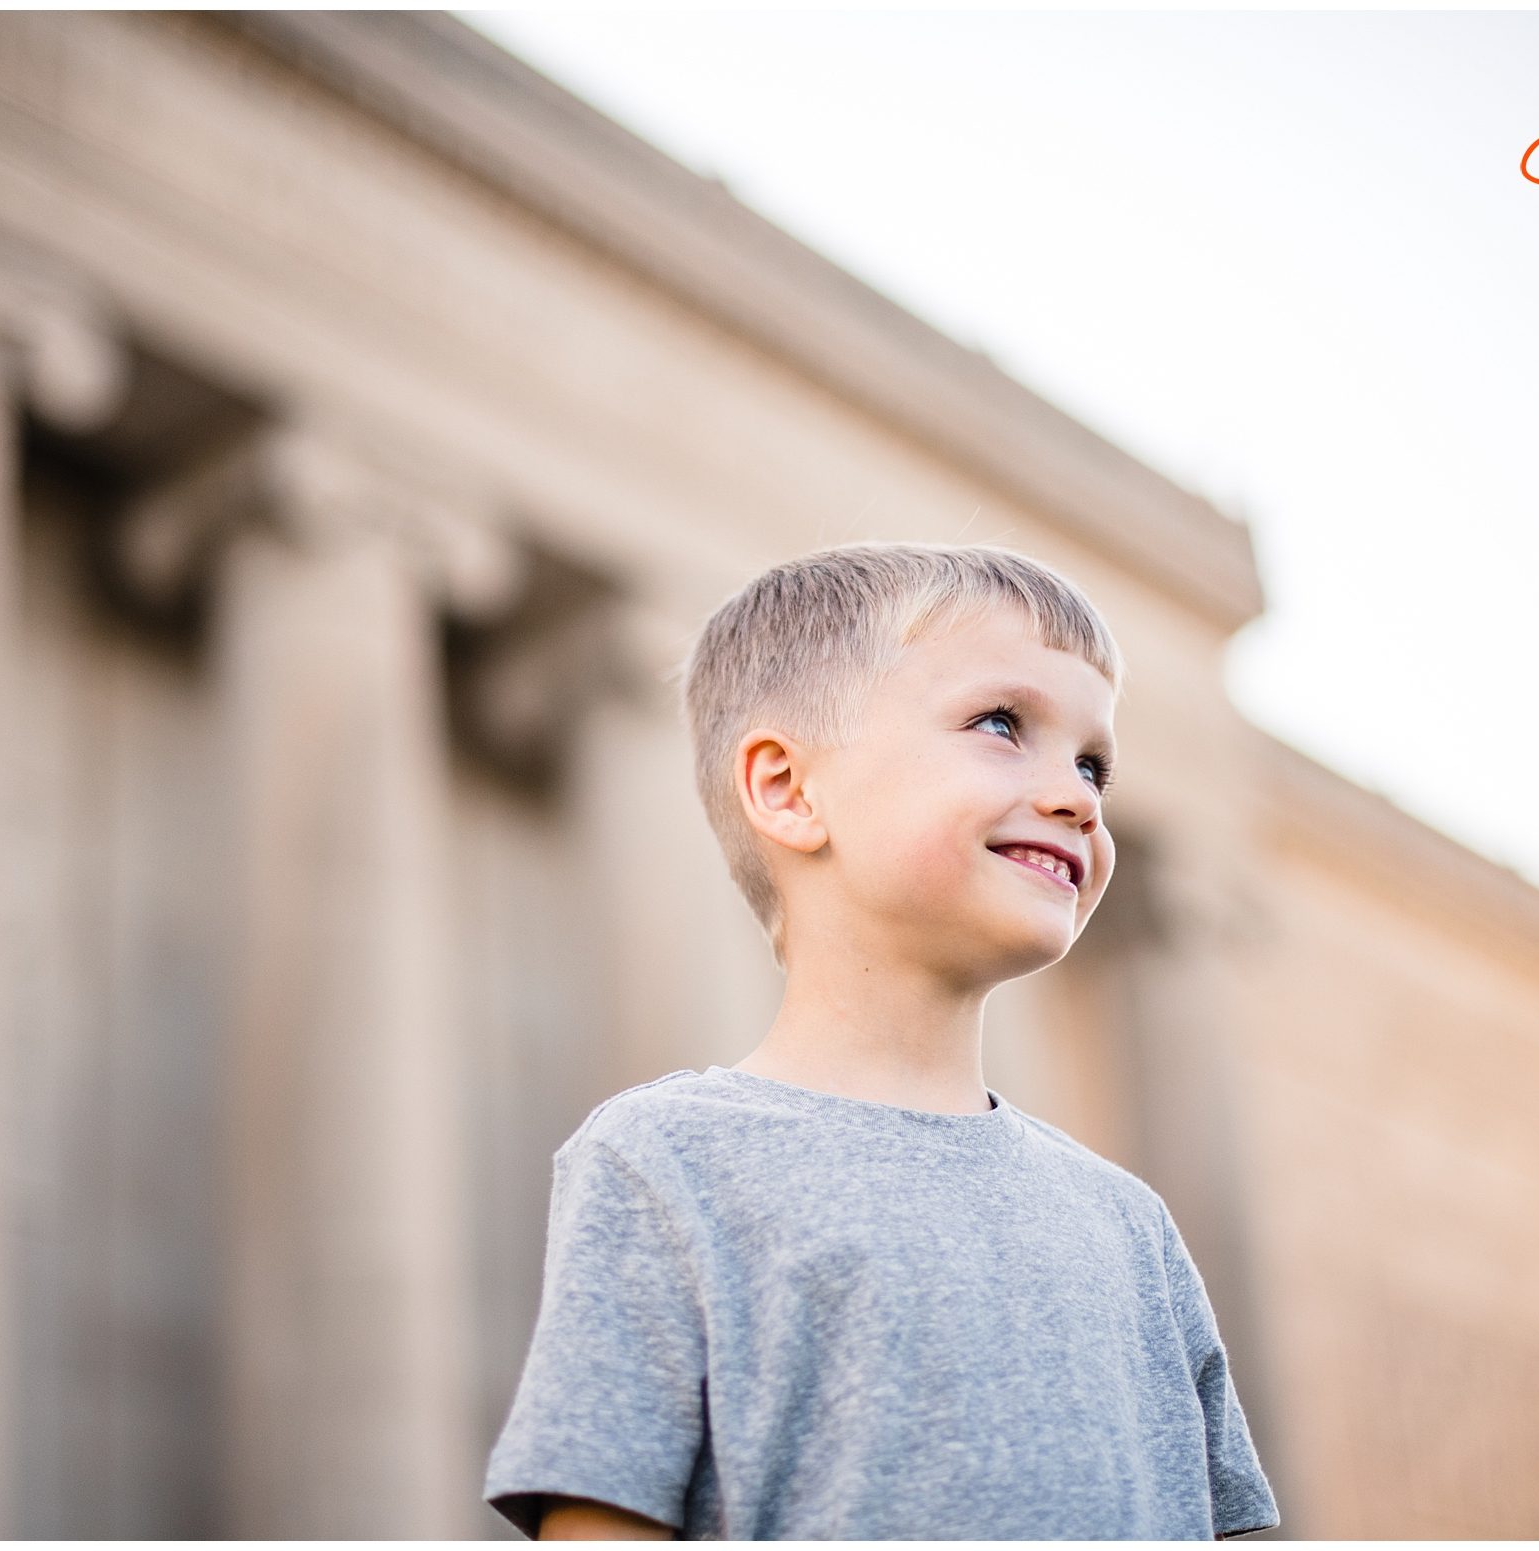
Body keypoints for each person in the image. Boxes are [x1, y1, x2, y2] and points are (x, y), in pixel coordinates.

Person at [482, 542, 1280, 1540]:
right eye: (1002, 725)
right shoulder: (665, 1162)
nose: (1079, 796)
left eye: (1093, 763)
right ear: (787, 789)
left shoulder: (1132, 1229)